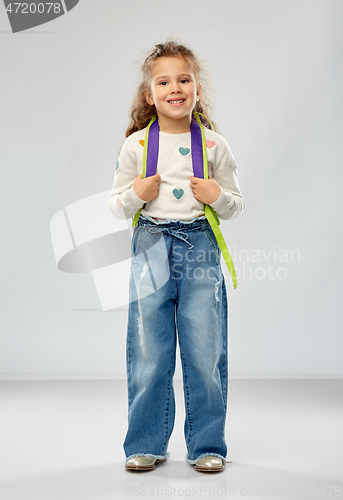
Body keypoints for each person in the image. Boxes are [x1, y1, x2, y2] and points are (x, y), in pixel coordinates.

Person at [107, 39, 245, 472]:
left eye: (184, 79)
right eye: (163, 81)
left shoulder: (214, 144)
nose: (175, 87)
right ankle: (145, 442)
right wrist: (136, 194)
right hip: (151, 243)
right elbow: (114, 205)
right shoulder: (136, 146)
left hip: (199, 243)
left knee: (205, 350)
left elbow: (237, 203)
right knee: (150, 350)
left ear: (197, 89)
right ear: (150, 95)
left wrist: (218, 195)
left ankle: (207, 445)